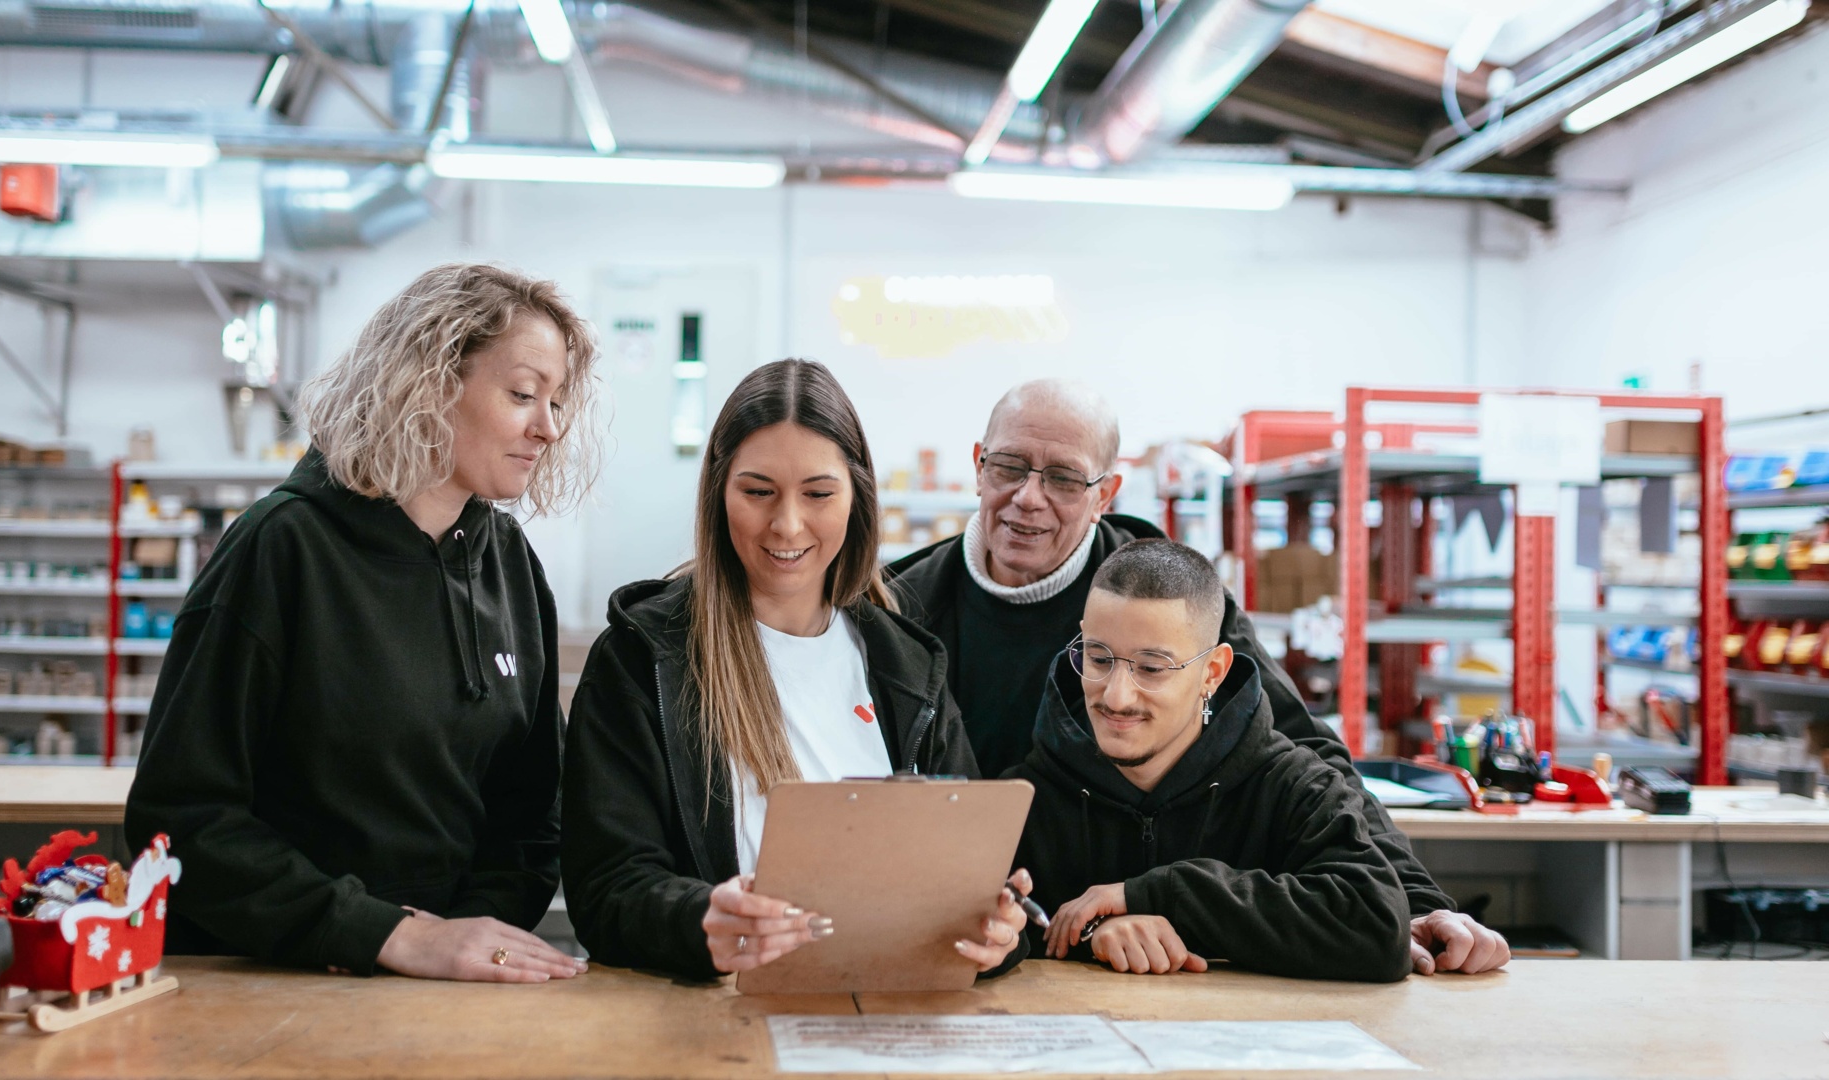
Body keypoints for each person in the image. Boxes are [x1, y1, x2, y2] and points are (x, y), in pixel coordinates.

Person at [888, 379, 1510, 977]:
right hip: (994, 920)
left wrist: (1416, 900)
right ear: (978, 466)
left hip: (1158, 939)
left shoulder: (1163, 595)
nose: (1028, 496)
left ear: (1106, 493)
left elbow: (1306, 748)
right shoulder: (901, 611)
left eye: (1064, 478)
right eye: (1009, 467)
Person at [126, 263, 598, 983]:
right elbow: (183, 819)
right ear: (433, 382)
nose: (551, 427)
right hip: (269, 982)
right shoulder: (280, 549)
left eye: (559, 401)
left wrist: (463, 938)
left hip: (447, 988)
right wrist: (388, 936)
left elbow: (530, 815)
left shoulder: (508, 564)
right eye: (525, 395)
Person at [563, 358, 1029, 980]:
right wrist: (701, 921)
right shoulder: (642, 656)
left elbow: (980, 875)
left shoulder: (907, 666)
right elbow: (607, 889)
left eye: (818, 494)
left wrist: (1000, 932)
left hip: (884, 1016)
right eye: (757, 492)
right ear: (718, 492)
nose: (786, 524)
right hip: (708, 1030)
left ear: (857, 498)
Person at [1013, 539, 1415, 981]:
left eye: (1151, 668)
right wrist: (1093, 936)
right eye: (1098, 657)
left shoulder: (1292, 786)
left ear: (1213, 672)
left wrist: (1160, 896)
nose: (1115, 696)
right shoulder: (1023, 803)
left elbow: (1376, 925)